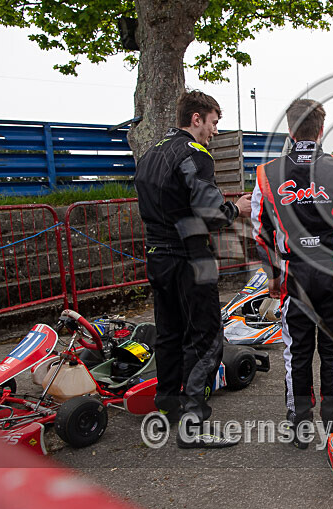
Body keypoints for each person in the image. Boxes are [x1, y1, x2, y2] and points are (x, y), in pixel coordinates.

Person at [135, 89, 251, 448]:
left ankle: (168, 403)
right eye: (214, 123)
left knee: (168, 333)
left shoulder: (151, 153)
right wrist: (238, 209)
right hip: (190, 256)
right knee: (206, 338)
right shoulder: (195, 154)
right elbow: (212, 212)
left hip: (157, 253)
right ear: (196, 118)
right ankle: (194, 422)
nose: (215, 132)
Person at [251, 99, 333, 448]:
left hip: (293, 274)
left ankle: (299, 424)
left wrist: (273, 276)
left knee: (296, 351)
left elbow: (261, 231)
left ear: (290, 130)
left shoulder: (267, 174)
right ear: (320, 130)